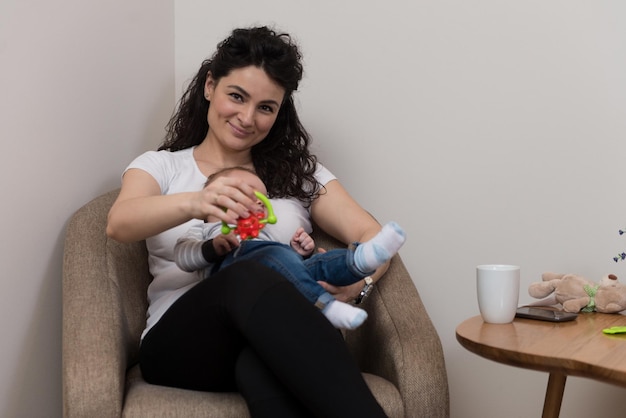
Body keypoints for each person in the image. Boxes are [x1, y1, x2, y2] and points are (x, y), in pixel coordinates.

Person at [106, 26, 391, 417]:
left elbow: (373, 235)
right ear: (210, 86)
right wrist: (198, 201)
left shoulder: (299, 177)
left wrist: (357, 286)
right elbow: (119, 223)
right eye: (236, 96)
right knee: (247, 273)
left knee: (261, 366)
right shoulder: (162, 166)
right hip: (185, 345)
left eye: (265, 107)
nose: (246, 117)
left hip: (276, 337)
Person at [174, 166, 407, 330]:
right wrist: (212, 248)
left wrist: (297, 253)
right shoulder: (204, 230)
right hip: (233, 288)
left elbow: (280, 266)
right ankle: (326, 307)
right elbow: (183, 257)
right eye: (246, 194)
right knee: (273, 255)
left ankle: (360, 260)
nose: (256, 202)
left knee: (316, 265)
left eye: (261, 198)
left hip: (276, 288)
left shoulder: (263, 236)